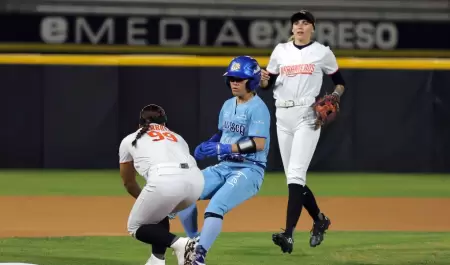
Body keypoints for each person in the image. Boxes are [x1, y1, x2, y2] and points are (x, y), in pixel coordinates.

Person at [260, 10, 346, 253]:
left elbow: (340, 81)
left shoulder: (322, 52)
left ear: (312, 28)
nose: (300, 26)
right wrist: (264, 80)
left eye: (305, 22)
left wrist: (335, 95)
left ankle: (288, 234)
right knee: (294, 180)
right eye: (296, 22)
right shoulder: (280, 51)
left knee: (296, 176)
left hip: (307, 116)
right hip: (282, 116)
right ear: (292, 28)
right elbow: (267, 85)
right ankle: (319, 219)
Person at [176, 56, 271, 265]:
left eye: (239, 78)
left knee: (215, 207)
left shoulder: (258, 108)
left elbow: (258, 143)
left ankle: (198, 257)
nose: (234, 82)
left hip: (249, 169)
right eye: (232, 78)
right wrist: (210, 143)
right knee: (184, 192)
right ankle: (193, 242)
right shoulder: (228, 104)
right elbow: (223, 133)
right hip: (224, 165)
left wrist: (225, 147)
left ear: (252, 81)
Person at [118, 104, 204, 265]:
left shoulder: (130, 139)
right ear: (164, 124)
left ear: (139, 124)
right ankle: (157, 260)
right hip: (196, 182)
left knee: (135, 227)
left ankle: (182, 244)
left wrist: (145, 198)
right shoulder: (178, 137)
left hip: (166, 179)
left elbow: (129, 182)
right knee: (157, 215)